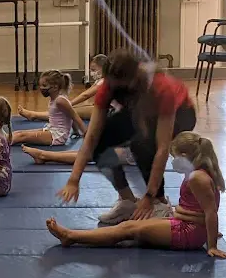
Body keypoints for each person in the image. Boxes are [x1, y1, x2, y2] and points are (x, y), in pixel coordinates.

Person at [57, 49, 197, 225]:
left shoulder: (161, 88)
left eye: (122, 87)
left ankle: (160, 204)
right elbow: (91, 137)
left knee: (142, 145)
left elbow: (162, 148)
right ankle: (127, 201)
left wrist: (149, 196)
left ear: (133, 80)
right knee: (101, 142)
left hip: (181, 113)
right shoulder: (109, 86)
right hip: (139, 107)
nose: (118, 91)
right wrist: (73, 179)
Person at [47, 132, 226, 259]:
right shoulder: (200, 171)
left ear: (184, 155)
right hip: (186, 225)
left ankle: (71, 236)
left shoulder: (197, 177)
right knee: (129, 227)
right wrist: (202, 226)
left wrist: (212, 245)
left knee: (128, 229)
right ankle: (74, 236)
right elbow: (202, 208)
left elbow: (211, 212)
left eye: (175, 157)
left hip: (188, 232)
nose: (173, 161)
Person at [19, 55, 109, 121]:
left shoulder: (104, 81)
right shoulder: (101, 80)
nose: (91, 72)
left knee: (67, 111)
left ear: (103, 69)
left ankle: (34, 115)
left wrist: (69, 104)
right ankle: (35, 114)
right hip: (106, 109)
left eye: (93, 70)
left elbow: (85, 95)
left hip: (108, 112)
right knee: (70, 109)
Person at [8, 70, 87, 146]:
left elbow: (74, 116)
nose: (41, 88)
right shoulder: (54, 99)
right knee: (19, 133)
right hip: (51, 130)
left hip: (57, 136)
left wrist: (85, 135)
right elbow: (69, 116)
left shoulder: (60, 100)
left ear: (55, 87)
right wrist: (75, 131)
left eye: (44, 86)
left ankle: (2, 144)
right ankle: (2, 139)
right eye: (40, 85)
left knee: (21, 136)